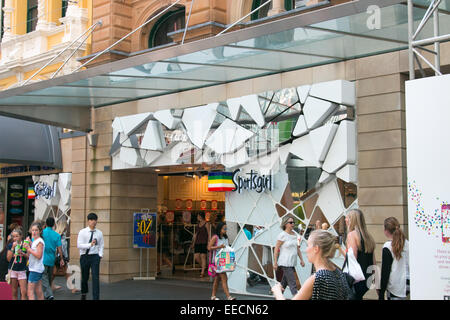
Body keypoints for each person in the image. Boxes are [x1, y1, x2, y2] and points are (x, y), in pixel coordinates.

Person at [272, 230, 352, 300]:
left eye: (308, 245)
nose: (306, 250)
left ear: (316, 249)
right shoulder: (338, 273)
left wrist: (277, 291)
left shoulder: (317, 279)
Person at [344, 209, 376, 300]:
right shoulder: (368, 236)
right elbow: (373, 262)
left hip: (356, 279)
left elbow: (352, 258)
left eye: (347, 217)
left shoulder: (352, 235)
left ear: (352, 220)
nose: (345, 219)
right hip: (367, 279)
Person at [378, 217, 410, 300]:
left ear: (386, 231)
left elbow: (385, 271)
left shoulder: (388, 247)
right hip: (408, 283)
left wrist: (381, 293)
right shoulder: (408, 244)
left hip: (395, 286)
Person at [273, 216, 305, 296]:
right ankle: (296, 297)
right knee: (293, 283)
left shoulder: (295, 235)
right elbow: (276, 249)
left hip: (292, 262)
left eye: (293, 222)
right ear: (285, 224)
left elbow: (297, 249)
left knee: (284, 283)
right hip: (285, 262)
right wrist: (275, 262)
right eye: (290, 222)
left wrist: (301, 259)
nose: (293, 224)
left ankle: (277, 295)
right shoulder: (282, 235)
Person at [77, 212, 104, 300]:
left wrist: (100, 255)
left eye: (95, 220)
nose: (93, 222)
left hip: (95, 257)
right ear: (88, 221)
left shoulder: (99, 233)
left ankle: (96, 297)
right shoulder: (82, 232)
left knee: (95, 277)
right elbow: (79, 245)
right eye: (91, 220)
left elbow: (101, 245)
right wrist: (90, 245)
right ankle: (84, 292)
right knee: (85, 277)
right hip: (85, 256)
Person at [208, 222, 235, 300]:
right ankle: (229, 297)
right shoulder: (215, 237)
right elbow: (209, 247)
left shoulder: (225, 238)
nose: (225, 230)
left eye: (226, 228)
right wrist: (219, 246)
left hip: (224, 259)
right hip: (217, 261)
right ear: (219, 229)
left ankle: (213, 296)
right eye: (224, 228)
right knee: (224, 278)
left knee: (217, 279)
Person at [41, 217, 64, 300]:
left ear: (46, 224)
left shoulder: (41, 233)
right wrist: (61, 259)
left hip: (42, 258)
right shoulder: (57, 235)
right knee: (49, 278)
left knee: (44, 277)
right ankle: (47, 295)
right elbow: (59, 248)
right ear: (54, 224)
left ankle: (48, 294)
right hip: (51, 259)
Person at [24, 221, 45, 300]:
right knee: (38, 290)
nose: (34, 232)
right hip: (36, 268)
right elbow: (32, 254)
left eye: (36, 230)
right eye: (33, 230)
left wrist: (28, 249)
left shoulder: (39, 241)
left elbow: (39, 255)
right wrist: (29, 245)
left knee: (30, 292)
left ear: (40, 231)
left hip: (35, 269)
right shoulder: (35, 241)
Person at [6, 227, 28, 300]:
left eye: (17, 236)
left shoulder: (25, 245)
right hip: (13, 270)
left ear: (21, 236)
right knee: (14, 291)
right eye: (13, 236)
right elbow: (8, 259)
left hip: (22, 270)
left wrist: (22, 253)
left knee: (24, 292)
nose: (15, 238)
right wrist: (12, 248)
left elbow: (28, 256)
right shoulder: (11, 245)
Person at [191, 212, 211, 277]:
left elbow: (209, 234)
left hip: (204, 242)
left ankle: (202, 272)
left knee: (203, 256)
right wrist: (193, 243)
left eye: (198, 216)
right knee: (196, 257)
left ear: (200, 216)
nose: (197, 217)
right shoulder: (198, 224)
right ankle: (204, 267)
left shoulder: (206, 224)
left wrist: (209, 242)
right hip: (197, 242)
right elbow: (195, 235)